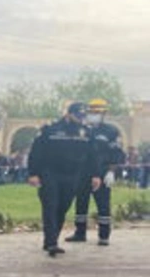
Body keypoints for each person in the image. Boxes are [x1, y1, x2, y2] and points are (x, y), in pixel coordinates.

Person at [27, 102, 100, 257]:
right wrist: (33, 173)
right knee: (50, 206)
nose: (81, 119)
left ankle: (52, 239)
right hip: (50, 173)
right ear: (68, 114)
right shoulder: (50, 129)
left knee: (63, 207)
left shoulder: (86, 132)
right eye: (78, 115)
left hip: (73, 174)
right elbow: (36, 151)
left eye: (83, 116)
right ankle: (51, 242)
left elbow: (93, 155)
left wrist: (96, 175)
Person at [66, 98, 125, 246]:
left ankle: (104, 235)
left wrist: (112, 171)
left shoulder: (111, 131)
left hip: (103, 171)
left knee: (103, 204)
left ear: (104, 113)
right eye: (91, 112)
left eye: (97, 112)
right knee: (81, 203)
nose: (94, 115)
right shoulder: (83, 129)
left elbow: (116, 152)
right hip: (82, 172)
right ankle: (80, 233)